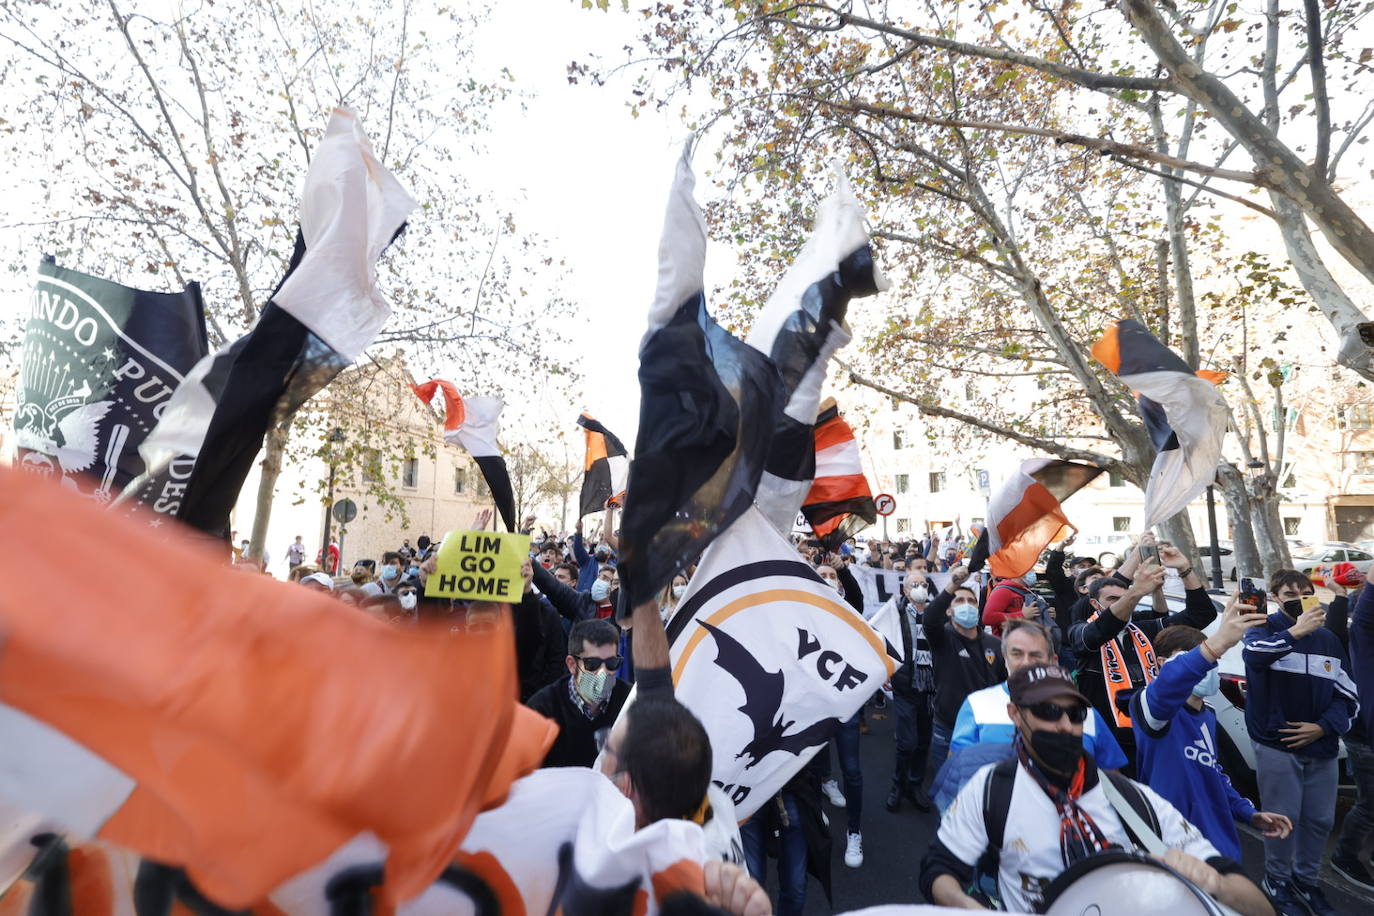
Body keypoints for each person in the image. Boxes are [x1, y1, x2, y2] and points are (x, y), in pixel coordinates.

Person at [920, 664, 1274, 915]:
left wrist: (1216, 884)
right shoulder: (991, 789)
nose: (1064, 725)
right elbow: (938, 869)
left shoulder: (1136, 800)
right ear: (1015, 714)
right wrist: (971, 908)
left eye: (1075, 714)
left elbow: (1254, 903)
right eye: (1047, 711)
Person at [1131, 601, 1292, 863]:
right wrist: (1216, 643)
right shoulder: (1151, 707)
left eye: (1212, 661)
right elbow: (1169, 683)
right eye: (1195, 658)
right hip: (1175, 846)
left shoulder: (1208, 715)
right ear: (1162, 663)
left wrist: (1247, 812)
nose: (1207, 667)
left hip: (1219, 844)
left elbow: (1213, 772)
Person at [1243, 569, 1357, 915]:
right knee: (1283, 819)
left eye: (1305, 591)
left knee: (1319, 820)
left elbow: (1348, 695)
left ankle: (1306, 882)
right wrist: (1295, 631)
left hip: (1321, 747)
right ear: (1276, 597)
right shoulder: (1264, 628)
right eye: (1289, 593)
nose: (1297, 597)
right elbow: (1254, 655)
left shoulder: (1329, 640)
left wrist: (1323, 727)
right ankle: (1276, 880)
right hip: (1278, 744)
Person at [943, 619, 1127, 805]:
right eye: (1017, 654)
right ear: (1005, 657)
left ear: (1053, 661)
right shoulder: (977, 704)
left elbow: (1114, 783)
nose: (1026, 663)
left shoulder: (1083, 713)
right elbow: (956, 777)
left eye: (1036, 655)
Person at [1067, 544, 1217, 769]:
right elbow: (1100, 630)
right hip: (1109, 745)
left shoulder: (1143, 629)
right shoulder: (1080, 632)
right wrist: (1135, 591)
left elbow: (1201, 614)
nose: (1120, 604)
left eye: (1123, 598)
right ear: (1094, 604)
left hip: (1152, 734)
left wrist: (1185, 569)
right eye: (1111, 599)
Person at [923, 567, 1007, 778]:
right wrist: (953, 584)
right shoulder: (942, 639)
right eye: (959, 601)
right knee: (949, 788)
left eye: (971, 601)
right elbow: (930, 619)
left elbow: (1003, 684)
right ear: (949, 611)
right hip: (948, 729)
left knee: (979, 787)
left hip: (984, 728)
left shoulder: (995, 645)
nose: (967, 605)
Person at [525, 618, 630, 767]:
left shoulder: (631, 702)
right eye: (592, 664)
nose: (603, 672)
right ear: (572, 664)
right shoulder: (542, 710)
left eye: (611, 663)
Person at [1326, 571, 1374, 889]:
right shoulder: (1363, 634)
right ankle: (1344, 857)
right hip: (1364, 736)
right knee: (1371, 804)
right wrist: (1339, 592)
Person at [878, 570, 935, 813]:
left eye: (923, 583)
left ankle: (915, 785)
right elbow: (880, 641)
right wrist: (885, 670)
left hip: (931, 688)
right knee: (907, 742)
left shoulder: (937, 613)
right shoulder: (895, 613)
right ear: (905, 590)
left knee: (923, 742)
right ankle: (897, 786)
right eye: (914, 584)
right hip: (905, 685)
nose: (920, 587)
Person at [514, 557, 568, 702]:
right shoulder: (492, 611)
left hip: (535, 699)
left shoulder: (548, 613)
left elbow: (556, 661)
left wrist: (541, 697)